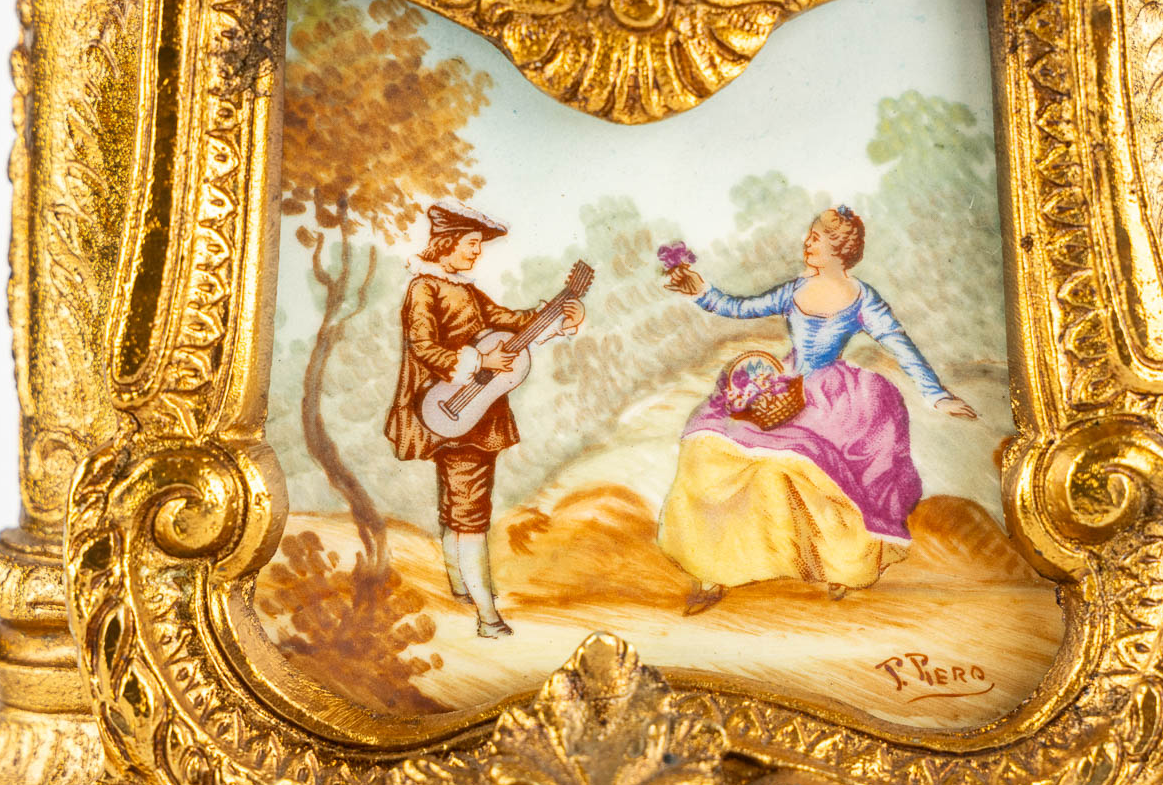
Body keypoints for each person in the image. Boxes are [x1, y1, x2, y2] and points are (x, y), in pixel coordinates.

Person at [658, 205, 976, 615]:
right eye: (808, 236)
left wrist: (936, 394)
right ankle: (712, 569)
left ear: (838, 249)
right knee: (711, 444)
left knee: (821, 479)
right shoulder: (795, 290)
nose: (807, 243)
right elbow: (739, 307)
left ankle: (840, 567)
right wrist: (701, 290)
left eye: (816, 239)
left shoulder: (862, 298)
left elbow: (899, 344)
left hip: (833, 400)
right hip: (784, 385)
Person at [385, 200, 584, 637]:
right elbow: (422, 345)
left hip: (476, 411)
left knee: (459, 505)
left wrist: (562, 314)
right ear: (447, 243)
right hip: (448, 407)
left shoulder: (468, 291)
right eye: (471, 244)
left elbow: (512, 320)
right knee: (469, 514)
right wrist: (476, 361)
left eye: (478, 245)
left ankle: (460, 586)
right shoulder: (425, 288)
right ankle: (487, 618)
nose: (477, 252)